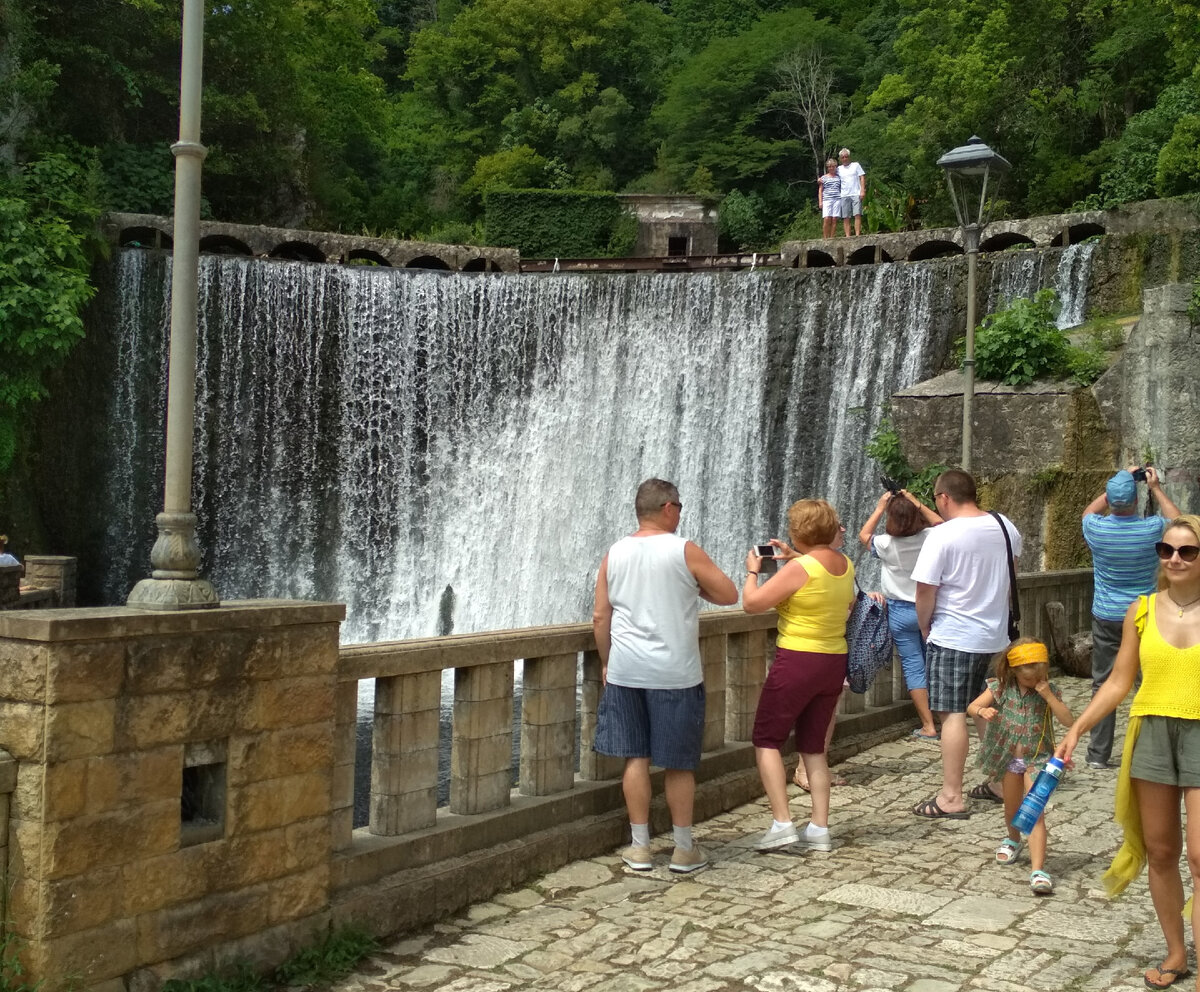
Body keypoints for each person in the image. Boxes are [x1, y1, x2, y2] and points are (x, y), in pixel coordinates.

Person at [1056, 515, 1200, 991]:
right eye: (1167, 550)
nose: (1175, 559)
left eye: (1187, 551)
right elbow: (1118, 680)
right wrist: (1078, 726)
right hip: (1152, 732)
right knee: (1161, 852)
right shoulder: (1139, 609)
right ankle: (1176, 953)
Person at [592, 478, 738, 874]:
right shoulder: (683, 549)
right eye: (680, 507)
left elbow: (600, 615)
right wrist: (692, 589)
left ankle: (640, 849)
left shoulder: (615, 552)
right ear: (669, 508)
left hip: (625, 670)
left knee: (635, 757)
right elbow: (728, 594)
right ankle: (683, 849)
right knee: (678, 763)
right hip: (675, 673)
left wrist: (606, 662)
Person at [742, 499, 856, 852]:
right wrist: (796, 558)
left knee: (766, 739)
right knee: (814, 748)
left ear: (798, 531)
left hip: (798, 659)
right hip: (833, 660)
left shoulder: (800, 568)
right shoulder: (845, 563)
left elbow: (752, 603)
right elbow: (839, 597)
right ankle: (819, 828)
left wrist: (751, 571)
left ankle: (782, 823)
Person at [910, 469, 1022, 818]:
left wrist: (924, 627)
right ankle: (1002, 783)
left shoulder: (943, 535)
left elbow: (925, 589)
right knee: (988, 711)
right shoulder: (1006, 527)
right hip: (996, 637)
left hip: (955, 636)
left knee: (953, 713)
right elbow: (1010, 573)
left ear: (944, 497)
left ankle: (951, 797)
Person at [1081, 466, 1179, 769]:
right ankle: (1150, 753)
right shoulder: (1151, 529)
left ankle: (1098, 754)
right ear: (1136, 503)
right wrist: (1156, 488)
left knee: (1104, 683)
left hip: (1107, 616)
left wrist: (1119, 479)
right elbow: (1178, 521)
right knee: (1146, 682)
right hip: (1143, 614)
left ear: (1111, 502)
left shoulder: (1095, 528)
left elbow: (1088, 511)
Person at [967, 638, 1075, 894]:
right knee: (1012, 807)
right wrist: (982, 712)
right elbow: (973, 706)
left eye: (1039, 675)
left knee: (1034, 811)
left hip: (1037, 759)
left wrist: (1048, 695)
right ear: (1012, 670)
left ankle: (1038, 869)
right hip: (1008, 758)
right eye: (1028, 678)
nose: (1034, 681)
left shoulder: (1048, 690)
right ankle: (1013, 839)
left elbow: (1068, 720)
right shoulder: (1000, 687)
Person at [858, 488, 944, 741]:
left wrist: (880, 507)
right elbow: (941, 523)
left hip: (899, 612)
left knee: (914, 665)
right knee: (937, 662)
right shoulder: (930, 537)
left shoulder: (886, 543)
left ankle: (929, 726)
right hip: (931, 609)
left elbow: (864, 535)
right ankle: (948, 716)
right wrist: (917, 503)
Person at [836, 148, 866, 237]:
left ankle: (857, 235)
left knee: (857, 214)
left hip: (856, 193)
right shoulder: (839, 169)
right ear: (840, 159)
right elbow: (832, 176)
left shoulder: (856, 165)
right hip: (844, 194)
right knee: (846, 217)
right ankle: (848, 236)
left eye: (846, 157)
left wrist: (862, 190)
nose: (845, 159)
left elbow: (862, 177)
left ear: (849, 157)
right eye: (843, 157)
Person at [817, 158, 841, 240]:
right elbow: (820, 190)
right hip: (827, 199)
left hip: (837, 199)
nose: (831, 168)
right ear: (828, 168)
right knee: (827, 218)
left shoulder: (839, 177)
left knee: (834, 219)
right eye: (829, 167)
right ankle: (825, 237)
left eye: (833, 166)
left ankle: (832, 237)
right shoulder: (823, 178)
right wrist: (820, 201)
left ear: (835, 167)